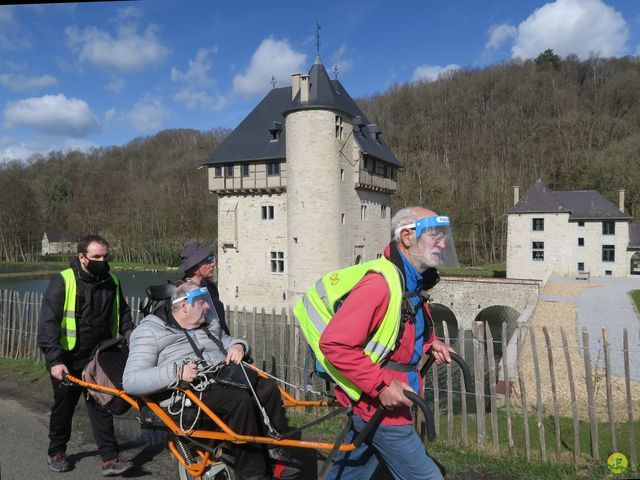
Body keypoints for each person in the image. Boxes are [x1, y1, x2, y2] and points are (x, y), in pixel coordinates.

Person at [295, 207, 458, 480]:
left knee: (353, 470)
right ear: (407, 237)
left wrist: (431, 344)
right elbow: (335, 344)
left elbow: (405, 326)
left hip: (385, 401)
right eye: (435, 235)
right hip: (382, 405)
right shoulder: (379, 284)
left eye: (444, 236)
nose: (442, 243)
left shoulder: (411, 281)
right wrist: (380, 386)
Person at [123, 281, 299, 480]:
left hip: (221, 379)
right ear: (184, 306)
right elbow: (131, 380)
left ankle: (275, 453)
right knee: (239, 401)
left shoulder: (207, 324)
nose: (208, 306)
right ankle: (253, 475)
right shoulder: (150, 332)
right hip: (185, 394)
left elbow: (227, 341)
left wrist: (239, 346)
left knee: (266, 388)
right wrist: (176, 372)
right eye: (202, 302)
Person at [37, 234, 134, 476]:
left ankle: (110, 458)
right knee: (64, 407)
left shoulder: (112, 280)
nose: (102, 260)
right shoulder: (64, 281)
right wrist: (55, 360)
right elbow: (48, 323)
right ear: (82, 257)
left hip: (99, 358)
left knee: (102, 405)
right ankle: (57, 451)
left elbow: (124, 316)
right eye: (96, 257)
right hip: (68, 359)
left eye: (105, 256)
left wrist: (133, 340)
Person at [177, 241, 229, 334]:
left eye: (211, 259)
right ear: (194, 268)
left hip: (221, 340)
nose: (212, 264)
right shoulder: (180, 292)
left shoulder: (210, 287)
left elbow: (221, 324)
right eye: (207, 261)